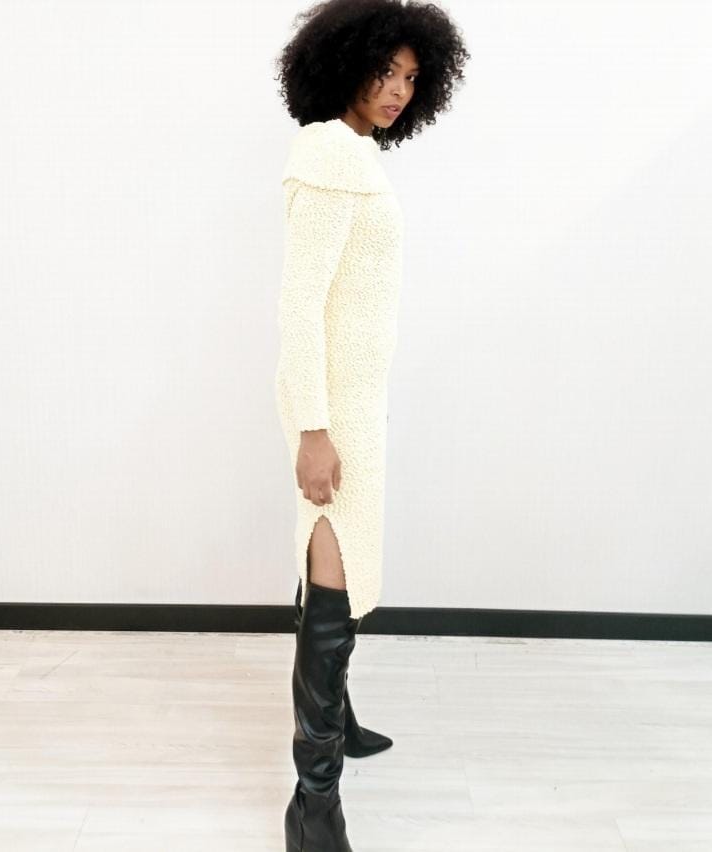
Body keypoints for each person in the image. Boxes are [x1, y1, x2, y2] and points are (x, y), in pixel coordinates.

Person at [273, 1, 470, 848]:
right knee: (336, 573)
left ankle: (339, 718)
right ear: (342, 64)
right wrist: (314, 429)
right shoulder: (328, 152)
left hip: (355, 400)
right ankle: (313, 799)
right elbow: (299, 306)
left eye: (411, 78)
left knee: (337, 565)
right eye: (384, 71)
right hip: (334, 410)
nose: (396, 90)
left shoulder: (354, 152)